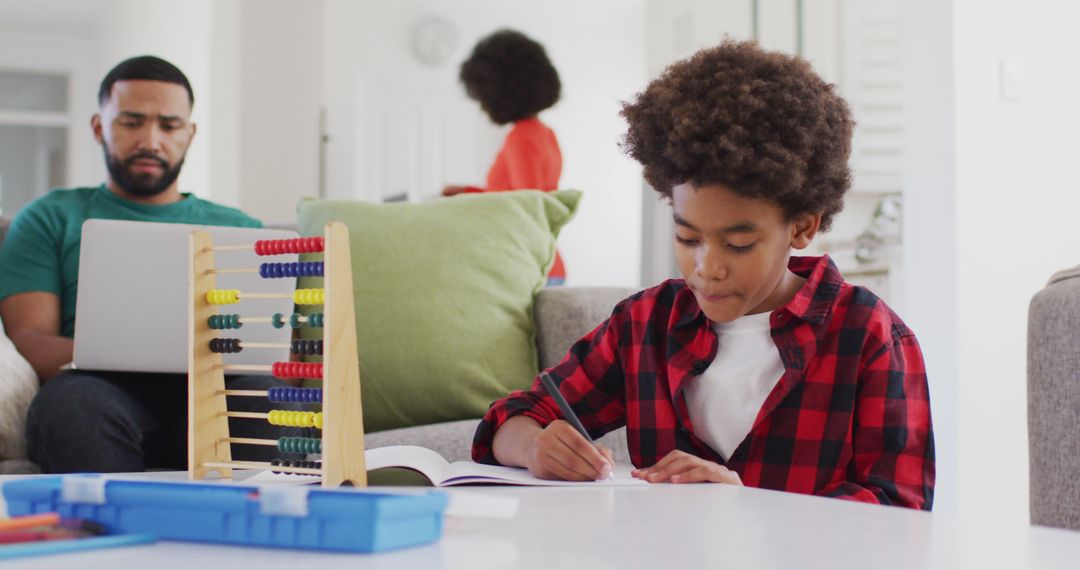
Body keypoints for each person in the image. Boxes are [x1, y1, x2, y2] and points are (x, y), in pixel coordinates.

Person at [472, 40, 935, 510]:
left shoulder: (870, 337)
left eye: (738, 244)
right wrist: (534, 446)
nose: (706, 268)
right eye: (688, 238)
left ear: (802, 226)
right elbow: (512, 417)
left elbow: (900, 510)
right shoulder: (645, 324)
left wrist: (749, 510)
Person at [0, 55, 299, 473]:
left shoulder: (241, 228)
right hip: (98, 393)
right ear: (99, 127)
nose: (151, 140)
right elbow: (30, 338)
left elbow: (275, 343)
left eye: (169, 126)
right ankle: (111, 535)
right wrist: (128, 357)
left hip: (216, 394)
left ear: (190, 135)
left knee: (271, 400)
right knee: (74, 405)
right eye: (131, 122)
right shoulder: (50, 216)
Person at [442, 29, 567, 285]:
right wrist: (468, 192)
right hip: (546, 262)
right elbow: (521, 197)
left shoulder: (521, 137)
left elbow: (523, 210)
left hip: (530, 267)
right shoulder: (544, 133)